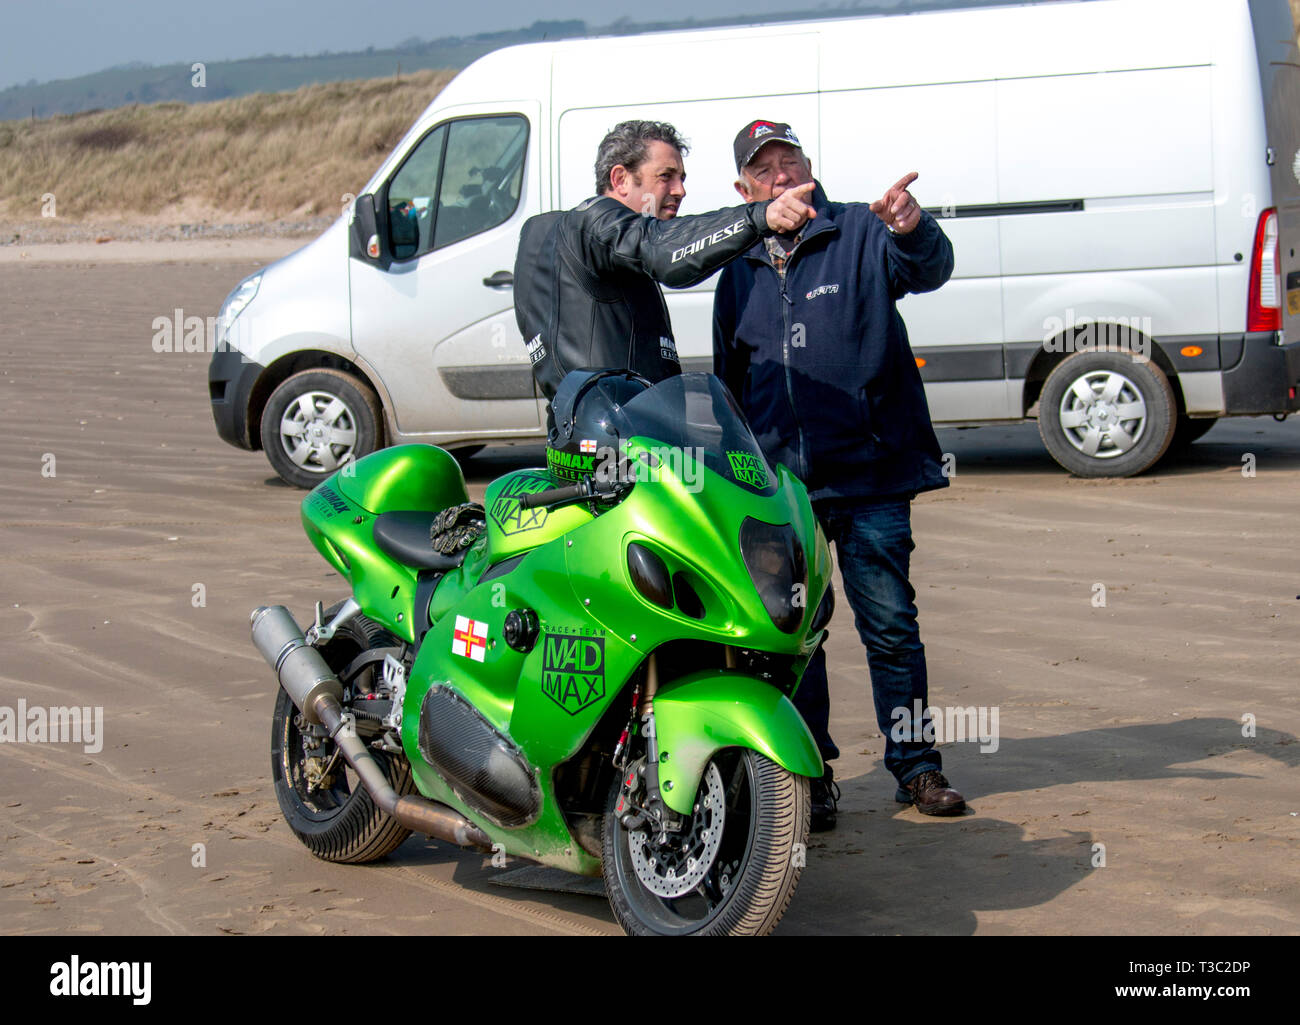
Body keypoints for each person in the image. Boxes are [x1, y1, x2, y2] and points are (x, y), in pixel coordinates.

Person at [713, 120, 964, 829]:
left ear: (811, 168)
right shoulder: (738, 266)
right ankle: (811, 774)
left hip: (871, 473)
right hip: (784, 491)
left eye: (791, 162)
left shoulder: (860, 230)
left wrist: (912, 228)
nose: (782, 175)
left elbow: (929, 269)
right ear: (744, 189)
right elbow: (730, 379)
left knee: (890, 626)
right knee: (797, 637)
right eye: (766, 170)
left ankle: (917, 768)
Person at [513, 119, 817, 403]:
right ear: (620, 179)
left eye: (681, 178)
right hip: (624, 448)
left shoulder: (576, 242)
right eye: (665, 176)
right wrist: (760, 216)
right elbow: (665, 250)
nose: (680, 190)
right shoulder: (596, 226)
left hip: (594, 440)